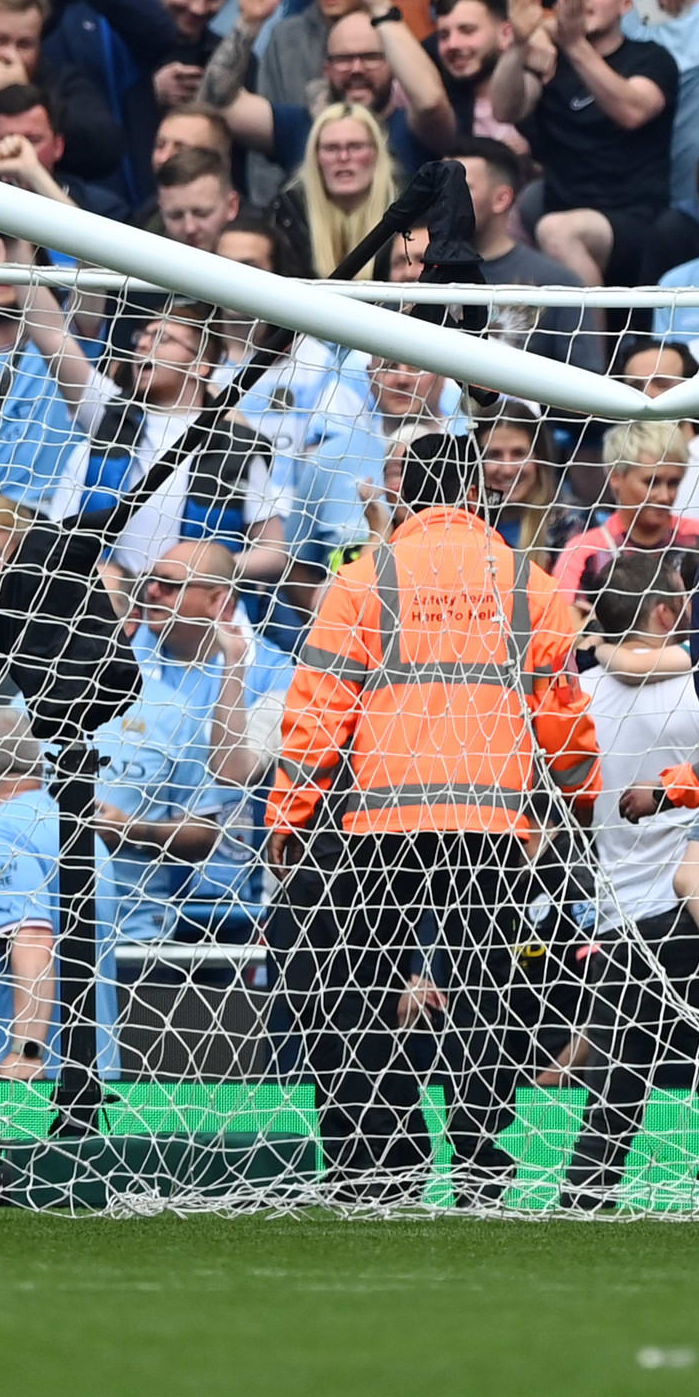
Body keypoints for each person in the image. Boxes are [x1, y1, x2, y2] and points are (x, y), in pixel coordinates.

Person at [264, 424, 597, 1199]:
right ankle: (483, 1154)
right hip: (494, 824)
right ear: (480, 490)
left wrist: (289, 811)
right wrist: (579, 799)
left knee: (363, 986)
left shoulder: (365, 577)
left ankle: (378, 1163)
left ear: (403, 491)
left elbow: (317, 708)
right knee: (486, 992)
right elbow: (563, 709)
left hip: (382, 823)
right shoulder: (527, 582)